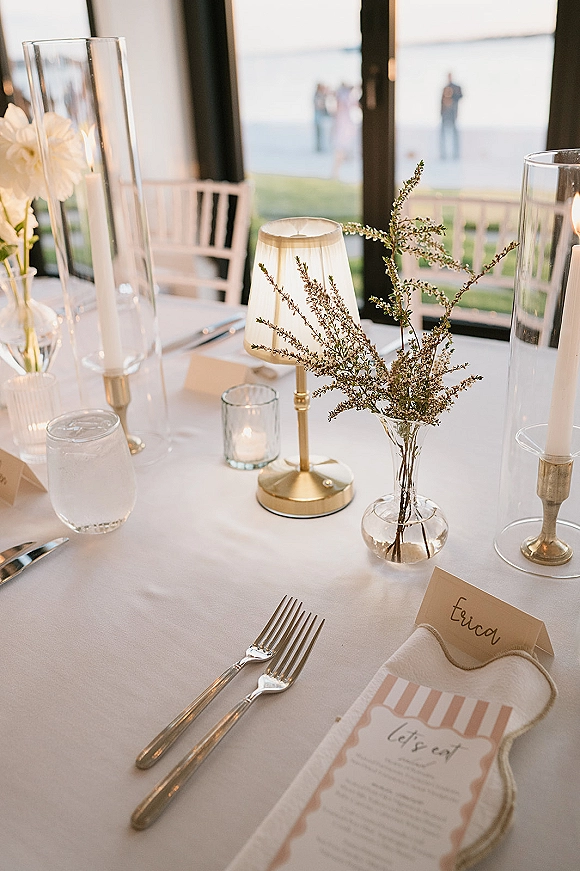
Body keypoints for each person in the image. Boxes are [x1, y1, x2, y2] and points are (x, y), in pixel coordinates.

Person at [440, 72, 463, 160]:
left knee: (455, 134)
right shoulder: (445, 88)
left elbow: (460, 96)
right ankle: (443, 154)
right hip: (445, 114)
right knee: (443, 134)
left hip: (452, 114)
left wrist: (452, 96)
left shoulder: (456, 88)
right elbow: (441, 101)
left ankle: (455, 154)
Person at [313, 83, 332, 152]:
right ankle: (319, 148)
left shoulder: (320, 95)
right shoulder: (318, 96)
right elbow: (319, 105)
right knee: (319, 133)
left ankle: (320, 147)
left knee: (320, 134)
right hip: (318, 118)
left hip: (319, 118)